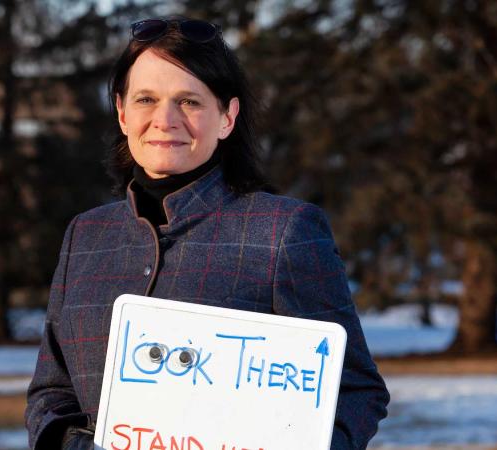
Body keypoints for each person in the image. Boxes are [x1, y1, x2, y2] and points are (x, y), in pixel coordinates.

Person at [25, 17, 390, 450]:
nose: (165, 120)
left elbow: (356, 391)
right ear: (122, 113)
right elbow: (52, 392)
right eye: (146, 99)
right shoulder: (86, 236)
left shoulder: (283, 232)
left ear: (227, 117)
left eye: (190, 102)